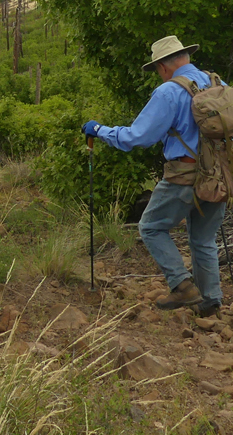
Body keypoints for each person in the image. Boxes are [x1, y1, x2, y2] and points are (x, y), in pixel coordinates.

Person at [82, 35, 224, 317]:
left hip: (185, 173)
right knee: (203, 239)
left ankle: (183, 286)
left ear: (162, 67)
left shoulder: (169, 92)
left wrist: (99, 130)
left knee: (150, 227)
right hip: (221, 174)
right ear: (185, 57)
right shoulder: (218, 83)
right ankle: (210, 301)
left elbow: (137, 137)